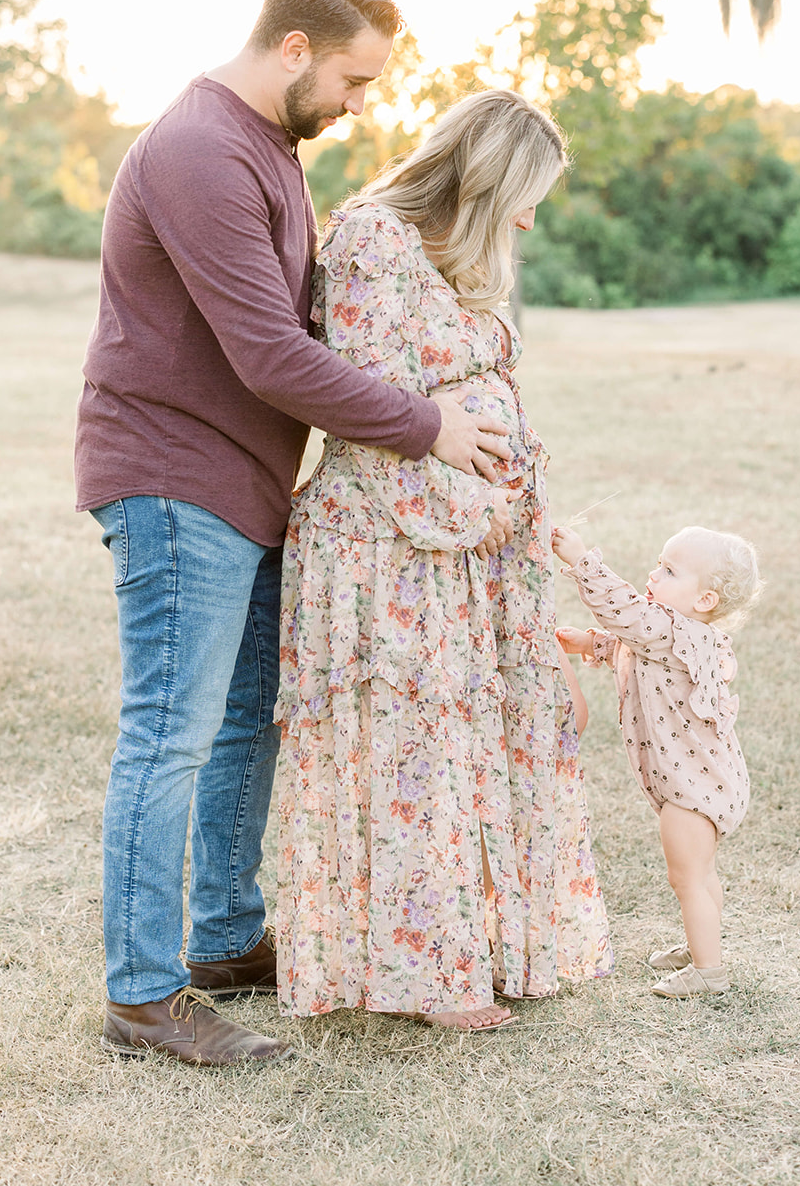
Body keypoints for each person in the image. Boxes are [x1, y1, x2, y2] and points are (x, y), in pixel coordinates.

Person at [75, 0, 511, 1067]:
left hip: (245, 484)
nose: (359, 107)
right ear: (295, 48)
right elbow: (271, 354)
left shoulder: (263, 147)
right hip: (176, 478)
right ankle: (142, 999)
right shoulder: (200, 153)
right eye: (353, 83)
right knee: (168, 734)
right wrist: (428, 425)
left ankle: (225, 939)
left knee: (236, 721)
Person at [274, 90, 612, 1032]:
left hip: (457, 553)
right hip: (387, 547)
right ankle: (421, 980)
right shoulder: (375, 241)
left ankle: (464, 948)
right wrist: (471, 504)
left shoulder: (445, 260)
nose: (531, 216)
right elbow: (372, 405)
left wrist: (501, 510)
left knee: (455, 749)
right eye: (526, 193)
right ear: (487, 175)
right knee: (406, 755)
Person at [551, 523, 762, 998]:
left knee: (686, 876)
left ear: (705, 599)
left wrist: (583, 561)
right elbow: (634, 645)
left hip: (691, 790)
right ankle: (701, 942)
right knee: (702, 874)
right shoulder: (678, 636)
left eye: (669, 570)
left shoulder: (672, 629)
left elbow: (626, 616)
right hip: (706, 780)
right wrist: (591, 645)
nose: (654, 573)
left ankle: (709, 972)